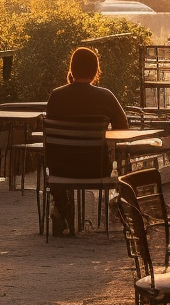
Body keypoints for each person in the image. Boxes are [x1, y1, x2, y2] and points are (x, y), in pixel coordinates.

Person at [44, 46, 129, 235]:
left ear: (71, 69)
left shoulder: (56, 96)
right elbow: (123, 127)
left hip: (60, 169)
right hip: (95, 168)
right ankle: (123, 207)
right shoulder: (105, 96)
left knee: (62, 158)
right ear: (95, 71)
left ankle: (60, 206)